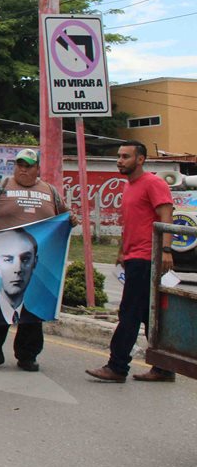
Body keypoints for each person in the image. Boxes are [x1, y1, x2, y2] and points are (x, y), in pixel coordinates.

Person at [0, 148, 72, 372]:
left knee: (33, 309)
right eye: (19, 165)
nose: (23, 170)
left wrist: (71, 219)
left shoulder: (50, 192)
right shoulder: (0, 188)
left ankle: (27, 355)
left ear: (37, 169)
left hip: (37, 261)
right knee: (3, 303)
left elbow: (64, 217)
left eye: (28, 166)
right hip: (4, 259)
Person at [87, 141, 176, 384]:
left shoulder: (154, 183)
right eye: (119, 156)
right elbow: (132, 223)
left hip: (148, 257)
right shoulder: (129, 186)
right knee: (149, 314)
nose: (120, 160)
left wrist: (166, 250)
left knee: (129, 313)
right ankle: (164, 367)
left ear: (140, 159)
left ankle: (117, 366)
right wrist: (121, 251)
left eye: (126, 156)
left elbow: (166, 216)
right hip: (133, 256)